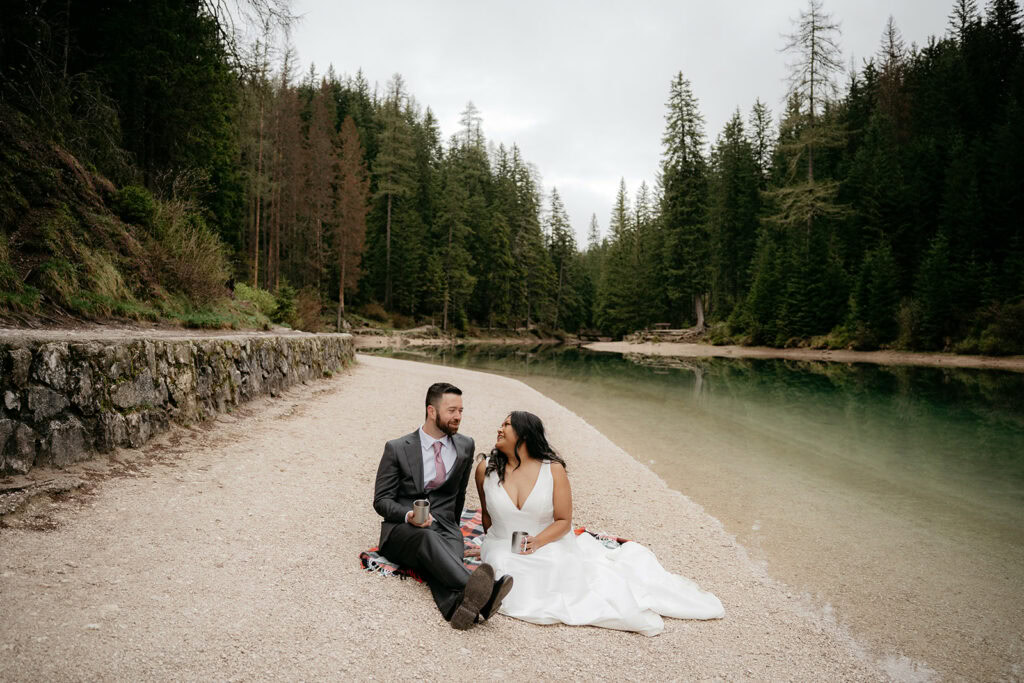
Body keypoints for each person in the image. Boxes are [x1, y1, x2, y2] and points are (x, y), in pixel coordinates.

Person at [474, 410, 724, 636]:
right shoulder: (486, 469)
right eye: (501, 424)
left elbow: (563, 520)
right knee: (502, 563)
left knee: (561, 565)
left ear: (525, 435)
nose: (499, 428)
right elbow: (487, 516)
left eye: (507, 424)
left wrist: (538, 542)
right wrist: (491, 542)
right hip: (503, 543)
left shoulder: (553, 470)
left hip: (546, 539)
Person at [373, 382, 513, 630]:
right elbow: (381, 501)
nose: (458, 416)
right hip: (402, 533)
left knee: (443, 560)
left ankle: (457, 606)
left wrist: (454, 528)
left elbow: (459, 494)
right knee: (428, 540)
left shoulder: (465, 446)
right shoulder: (397, 448)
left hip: (446, 528)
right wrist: (408, 516)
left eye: (461, 410)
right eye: (451, 410)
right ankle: (486, 593)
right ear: (432, 411)